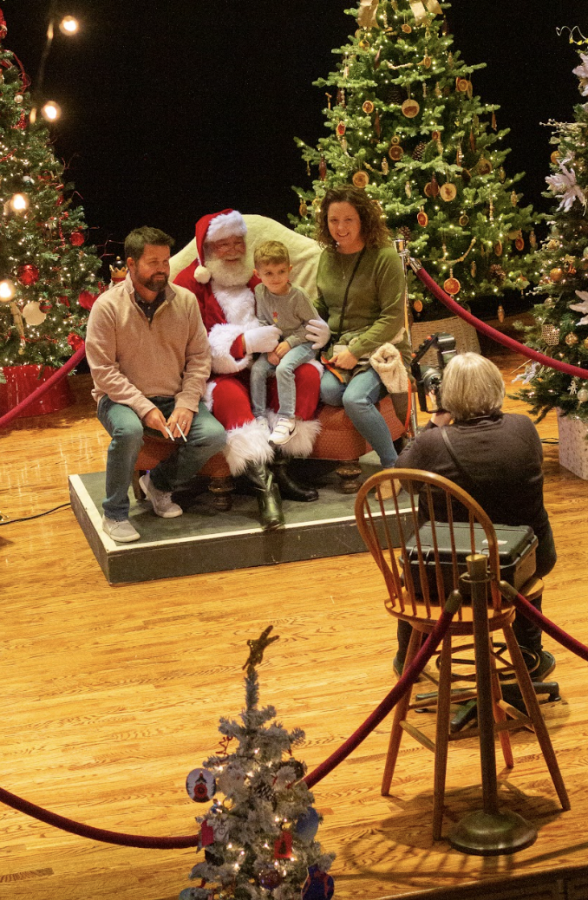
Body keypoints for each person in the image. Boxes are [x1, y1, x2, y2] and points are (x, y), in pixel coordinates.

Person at [394, 352, 557, 680]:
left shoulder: (430, 444)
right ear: (497, 387)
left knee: (420, 567)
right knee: (516, 558)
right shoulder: (524, 428)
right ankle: (529, 651)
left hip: (446, 575)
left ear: (447, 395)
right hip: (523, 564)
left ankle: (408, 657)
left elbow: (405, 481)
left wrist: (433, 423)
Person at [173, 209, 331, 531]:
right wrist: (243, 342)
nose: (232, 250)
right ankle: (266, 490)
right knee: (232, 400)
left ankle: (282, 468)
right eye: (223, 244)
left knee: (307, 375)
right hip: (217, 373)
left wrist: (303, 337)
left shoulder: (257, 278)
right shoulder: (188, 284)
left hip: (265, 365)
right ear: (207, 250)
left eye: (238, 242)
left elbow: (286, 318)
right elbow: (193, 345)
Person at [86, 226, 226, 543]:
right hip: (120, 400)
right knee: (129, 430)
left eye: (165, 261)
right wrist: (144, 408)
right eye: (153, 262)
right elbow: (104, 372)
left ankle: (159, 485)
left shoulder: (186, 302)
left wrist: (187, 404)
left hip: (173, 397)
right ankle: (115, 514)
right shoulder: (106, 307)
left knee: (214, 435)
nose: (162, 269)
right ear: (131, 265)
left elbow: (199, 359)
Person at [314, 185, 411, 469]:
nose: (340, 228)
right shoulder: (327, 257)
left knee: (355, 399)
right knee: (329, 392)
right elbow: (324, 306)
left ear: (363, 219)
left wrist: (356, 351)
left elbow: (392, 318)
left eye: (348, 220)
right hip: (340, 347)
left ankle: (394, 466)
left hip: (382, 346)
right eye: (334, 220)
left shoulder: (384, 257)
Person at [250, 240, 318, 446]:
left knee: (284, 368)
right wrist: (269, 347)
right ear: (257, 274)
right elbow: (262, 321)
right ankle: (259, 417)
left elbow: (312, 327)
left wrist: (289, 343)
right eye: (268, 273)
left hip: (303, 343)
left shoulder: (298, 296)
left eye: (281, 271)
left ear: (289, 270)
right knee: (258, 370)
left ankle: (287, 418)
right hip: (277, 344)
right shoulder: (260, 292)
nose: (276, 278)